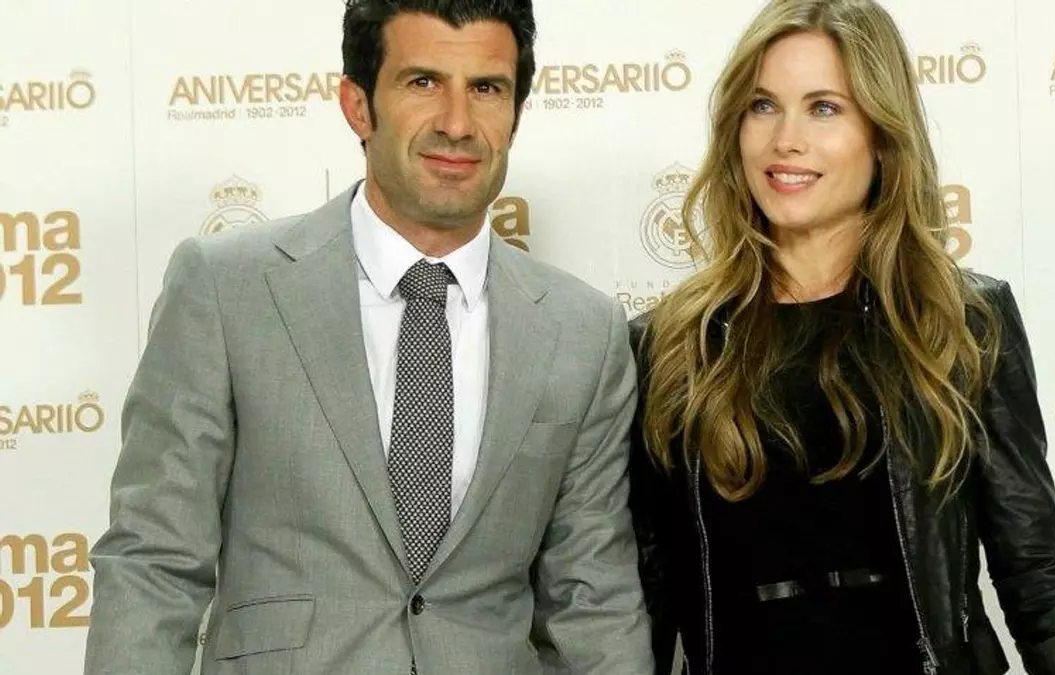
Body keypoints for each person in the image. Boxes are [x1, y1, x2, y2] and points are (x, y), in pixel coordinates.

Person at [83, 1, 654, 673]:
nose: (457, 123)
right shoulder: (226, 287)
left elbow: (593, 600)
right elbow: (153, 561)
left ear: (516, 113)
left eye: (486, 88)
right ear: (358, 106)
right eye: (423, 82)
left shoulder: (583, 331)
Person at [627, 1, 1055, 673]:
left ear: (881, 134)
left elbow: (1035, 570)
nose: (785, 139)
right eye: (763, 106)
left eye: (823, 108)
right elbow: (642, 596)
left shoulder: (961, 321)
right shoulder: (670, 344)